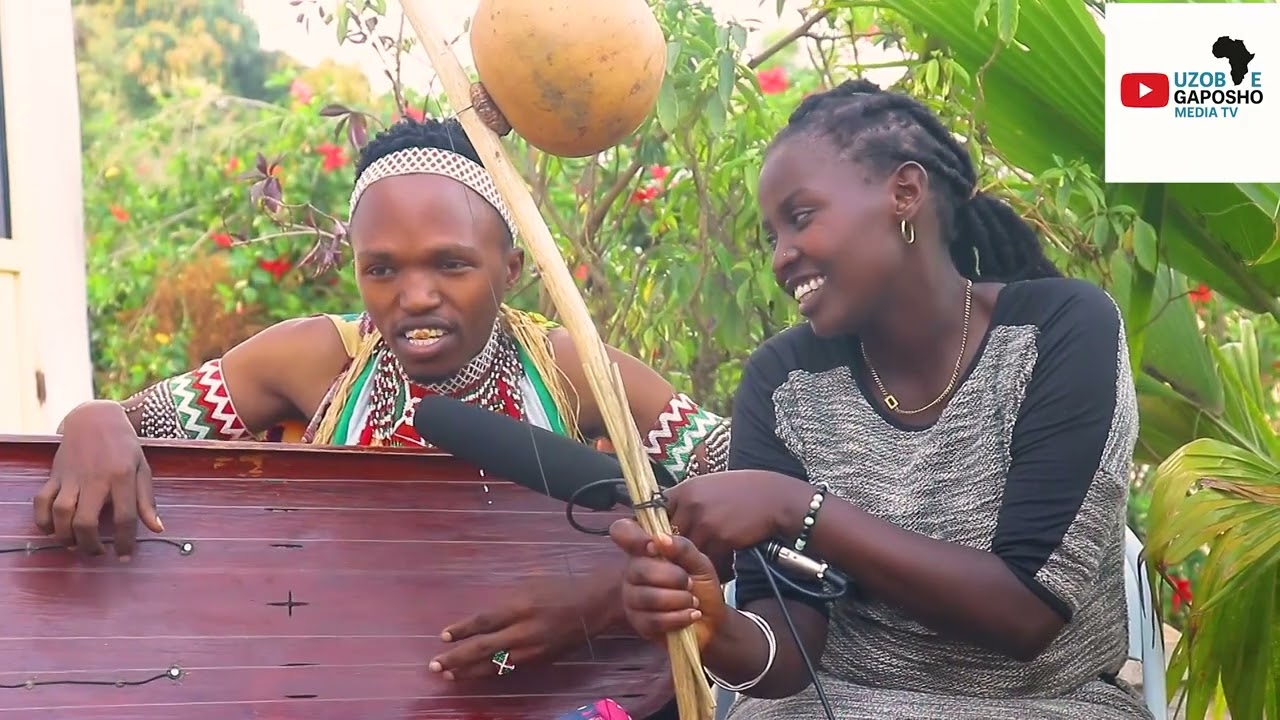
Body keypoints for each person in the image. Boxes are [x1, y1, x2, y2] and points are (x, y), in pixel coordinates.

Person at [34, 116, 730, 713]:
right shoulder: (315, 360)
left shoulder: (571, 369)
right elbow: (128, 425)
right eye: (383, 269)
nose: (415, 295)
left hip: (554, 698)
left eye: (450, 265)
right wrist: (92, 418)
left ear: (511, 267)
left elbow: (745, 484)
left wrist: (602, 599)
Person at [610, 79, 1150, 719]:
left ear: (905, 193)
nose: (783, 257)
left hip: (1039, 703)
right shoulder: (783, 382)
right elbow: (787, 656)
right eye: (771, 237)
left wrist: (799, 509)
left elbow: (1026, 614)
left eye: (801, 217)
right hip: (830, 702)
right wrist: (712, 626)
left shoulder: (1059, 331)